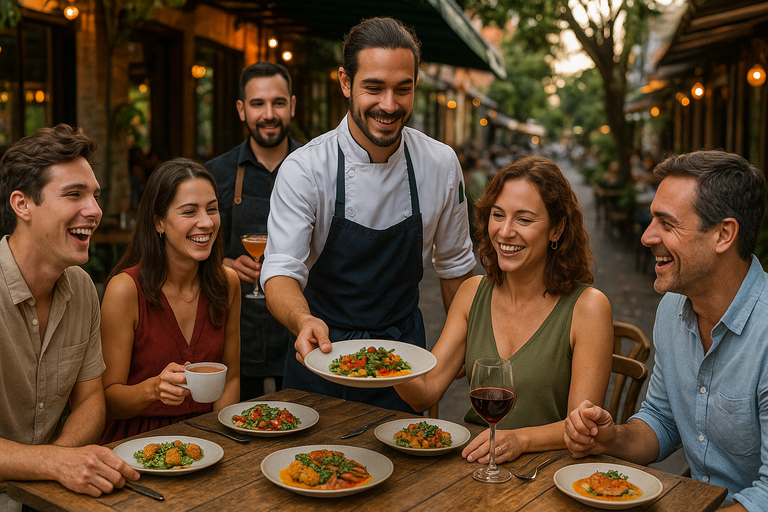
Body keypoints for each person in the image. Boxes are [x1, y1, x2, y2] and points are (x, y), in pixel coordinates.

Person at [261, 17, 476, 412]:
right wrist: (302, 320)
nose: (389, 105)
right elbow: (279, 272)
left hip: (405, 366)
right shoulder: (306, 168)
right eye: (373, 88)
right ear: (346, 83)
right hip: (323, 357)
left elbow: (456, 270)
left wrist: (465, 343)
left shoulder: (441, 164)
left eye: (403, 89)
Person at [564, 150, 768, 511]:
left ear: (724, 234)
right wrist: (611, 437)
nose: (646, 236)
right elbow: (662, 421)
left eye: (667, 223)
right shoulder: (674, 307)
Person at [395, 156, 613, 463]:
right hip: (474, 463)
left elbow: (581, 427)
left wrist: (520, 439)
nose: (505, 232)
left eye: (524, 220)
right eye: (498, 215)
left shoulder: (588, 308)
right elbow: (426, 392)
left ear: (557, 228)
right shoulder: (472, 293)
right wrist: (385, 362)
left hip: (547, 472)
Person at [0, 124, 139, 511]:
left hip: (49, 497)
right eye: (74, 195)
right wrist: (54, 463)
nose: (94, 210)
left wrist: (58, 464)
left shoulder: (81, 289)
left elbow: (92, 399)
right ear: (22, 205)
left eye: (95, 195)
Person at [100, 158, 241, 444]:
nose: (206, 222)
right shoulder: (124, 290)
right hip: (137, 443)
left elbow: (232, 378)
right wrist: (153, 390)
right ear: (158, 222)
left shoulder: (229, 283)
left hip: (210, 437)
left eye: (212, 209)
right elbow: (107, 399)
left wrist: (223, 442)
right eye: (189, 211)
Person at [205, 61, 302, 401]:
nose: (268, 114)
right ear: (241, 110)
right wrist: (226, 265)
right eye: (257, 104)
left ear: (292, 105)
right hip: (237, 326)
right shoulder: (216, 173)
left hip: (299, 327)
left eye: (277, 103)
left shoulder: (313, 167)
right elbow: (192, 250)